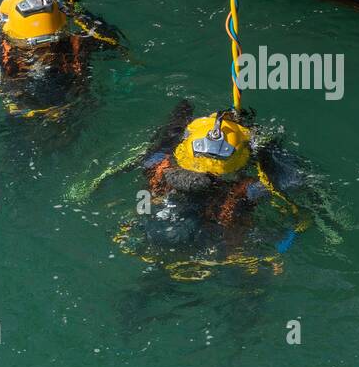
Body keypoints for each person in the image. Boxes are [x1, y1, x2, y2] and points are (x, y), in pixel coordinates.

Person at [121, 101, 315, 277]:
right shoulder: (239, 196)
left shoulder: (156, 167)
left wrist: (181, 115)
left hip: (181, 255)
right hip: (225, 260)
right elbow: (294, 183)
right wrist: (267, 148)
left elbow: (170, 136)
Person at [0, 0, 122, 120]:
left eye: (49, 45)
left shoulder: (77, 41)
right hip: (30, 118)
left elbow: (111, 41)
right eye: (29, 47)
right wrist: (79, 12)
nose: (41, 53)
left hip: (74, 112)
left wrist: (79, 12)